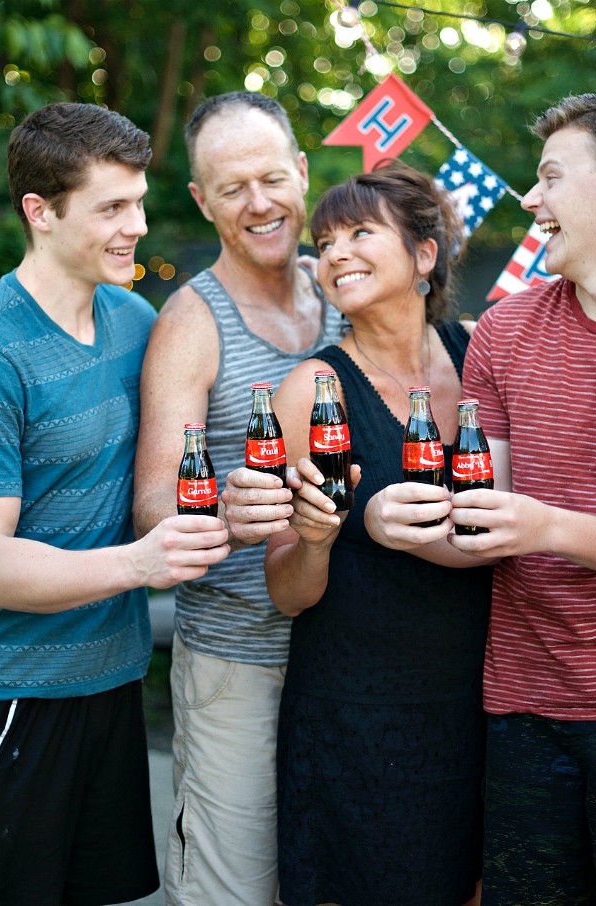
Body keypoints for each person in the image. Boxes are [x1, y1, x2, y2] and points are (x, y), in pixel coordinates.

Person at [0, 102, 230, 906]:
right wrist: (139, 563)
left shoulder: (136, 319)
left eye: (137, 200)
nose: (135, 225)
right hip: (16, 691)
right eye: (110, 207)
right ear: (41, 211)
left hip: (113, 681)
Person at [133, 91, 344, 906]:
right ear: (200, 201)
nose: (258, 203)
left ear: (300, 171)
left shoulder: (345, 285)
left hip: (352, 653)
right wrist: (215, 512)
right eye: (231, 187)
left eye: (269, 177)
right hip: (237, 661)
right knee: (235, 890)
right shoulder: (192, 319)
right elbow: (152, 501)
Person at [264, 160, 493, 906]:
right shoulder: (310, 390)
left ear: (425, 256)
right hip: (355, 712)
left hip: (479, 699)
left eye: (361, 232)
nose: (335, 253)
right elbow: (287, 593)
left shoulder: (483, 359)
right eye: (326, 241)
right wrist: (326, 535)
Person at [446, 93, 596, 904]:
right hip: (524, 702)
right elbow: (484, 509)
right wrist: (397, 519)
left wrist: (547, 526)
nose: (530, 200)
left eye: (549, 178)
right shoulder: (501, 333)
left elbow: (531, 522)